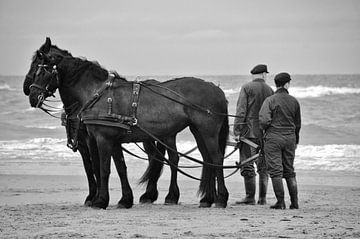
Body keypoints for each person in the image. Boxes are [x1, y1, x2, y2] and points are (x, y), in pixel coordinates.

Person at [259, 72, 301, 209]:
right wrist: (296, 140)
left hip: (273, 138)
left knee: (276, 171)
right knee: (289, 170)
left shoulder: (270, 100)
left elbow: (264, 120)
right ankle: (294, 203)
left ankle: (280, 202)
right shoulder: (294, 101)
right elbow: (298, 124)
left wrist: (265, 129)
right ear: (287, 84)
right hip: (290, 138)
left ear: (276, 84)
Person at [233, 64, 274, 205]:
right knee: (263, 166)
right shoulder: (270, 90)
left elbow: (241, 111)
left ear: (254, 75)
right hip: (265, 133)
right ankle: (262, 198)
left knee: (247, 164)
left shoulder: (247, 87)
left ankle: (250, 197)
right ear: (263, 75)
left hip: (248, 133)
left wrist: (237, 131)